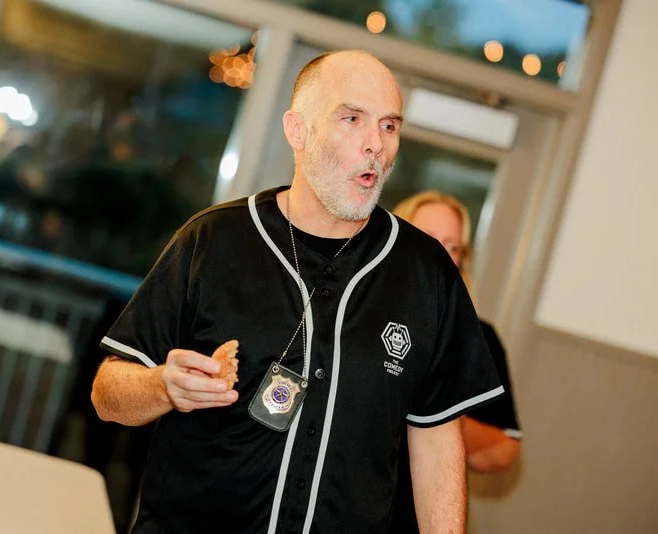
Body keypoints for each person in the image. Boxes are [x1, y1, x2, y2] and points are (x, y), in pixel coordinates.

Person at [91, 50, 503, 533]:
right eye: (352, 119)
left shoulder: (427, 272)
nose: (375, 144)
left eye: (389, 126)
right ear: (297, 130)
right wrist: (163, 385)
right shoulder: (213, 240)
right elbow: (106, 393)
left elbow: (435, 440)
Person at [391, 190, 523, 531]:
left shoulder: (477, 337)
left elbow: (501, 453)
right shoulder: (355, 317)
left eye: (452, 247)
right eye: (428, 240)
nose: (441, 257)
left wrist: (438, 412)